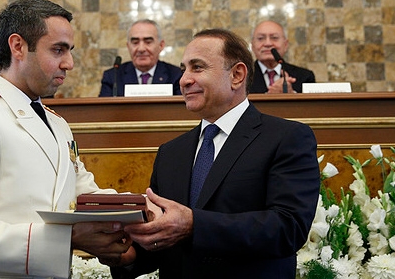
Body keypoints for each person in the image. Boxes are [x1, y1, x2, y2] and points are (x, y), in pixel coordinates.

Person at [0, 0, 131, 279]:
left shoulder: (57, 124)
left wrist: (143, 210)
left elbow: (83, 194)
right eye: (58, 50)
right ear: (18, 47)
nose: (69, 63)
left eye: (69, 51)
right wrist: (68, 238)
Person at [108, 29, 320, 278]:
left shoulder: (286, 138)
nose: (184, 80)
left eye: (197, 67)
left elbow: (288, 228)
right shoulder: (171, 152)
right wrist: (126, 256)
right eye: (183, 69)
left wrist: (194, 224)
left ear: (237, 75)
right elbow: (164, 240)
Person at [99, 19, 182, 96]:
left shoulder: (176, 75)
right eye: (135, 42)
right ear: (128, 46)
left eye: (148, 42)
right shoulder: (113, 77)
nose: (141, 49)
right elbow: (103, 107)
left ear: (161, 45)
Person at [249, 20, 316, 94]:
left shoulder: (305, 77)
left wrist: (291, 94)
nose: (268, 43)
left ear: (285, 45)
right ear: (252, 46)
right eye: (261, 38)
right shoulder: (242, 77)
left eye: (274, 38)